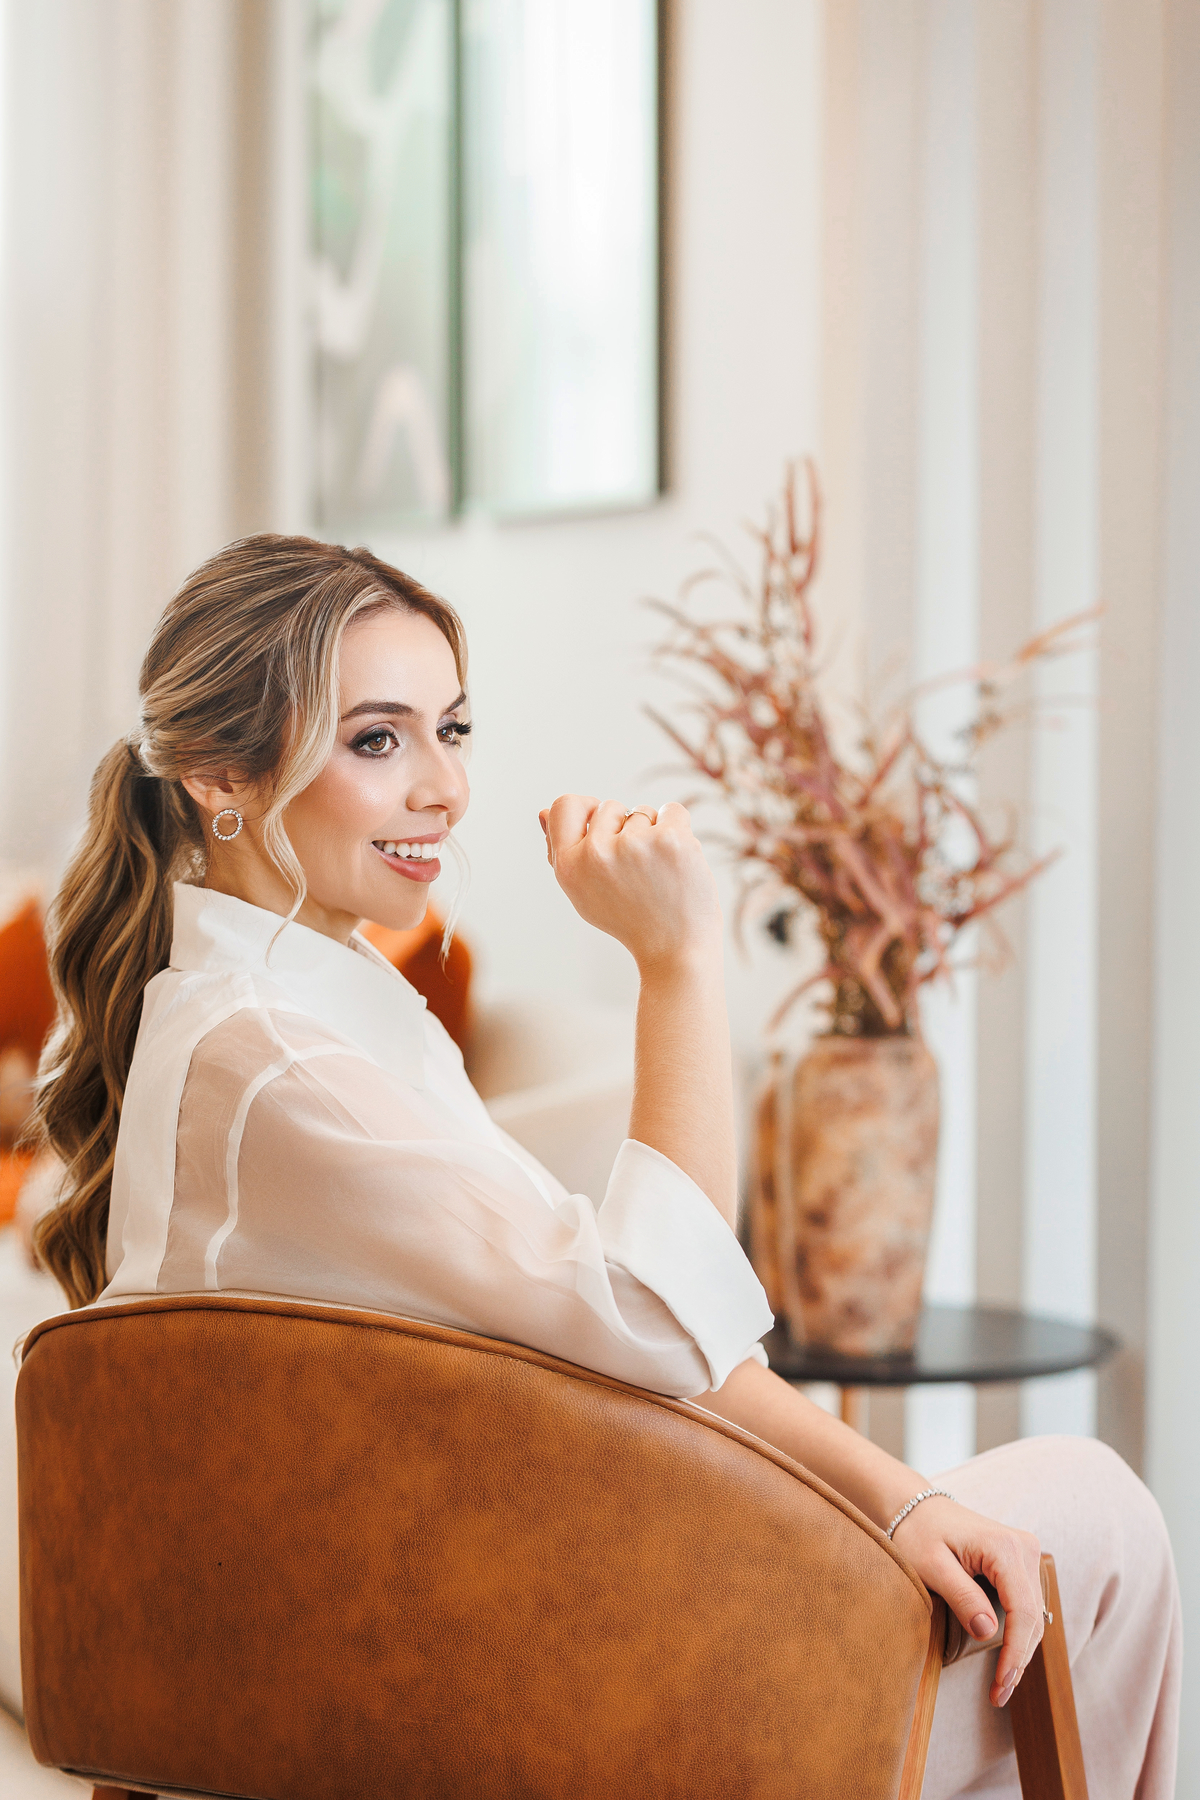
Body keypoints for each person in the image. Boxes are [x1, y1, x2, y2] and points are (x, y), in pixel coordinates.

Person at [30, 537, 1179, 1798]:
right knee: (1094, 1514)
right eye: (376, 740)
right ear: (220, 778)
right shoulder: (276, 1064)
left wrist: (894, 1504)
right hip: (491, 1701)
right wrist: (679, 962)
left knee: (1037, 1533)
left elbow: (608, 1314)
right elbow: (649, 1318)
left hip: (454, 1645)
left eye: (452, 731)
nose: (444, 790)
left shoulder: (297, 1012)